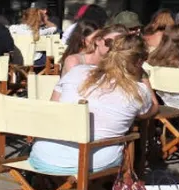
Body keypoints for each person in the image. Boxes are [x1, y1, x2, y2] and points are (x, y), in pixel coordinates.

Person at [28, 34, 157, 173]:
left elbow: (53, 105)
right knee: (130, 139)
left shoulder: (77, 71)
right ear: (139, 61)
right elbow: (151, 109)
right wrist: (143, 76)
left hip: (45, 156)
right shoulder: (137, 91)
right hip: (92, 163)